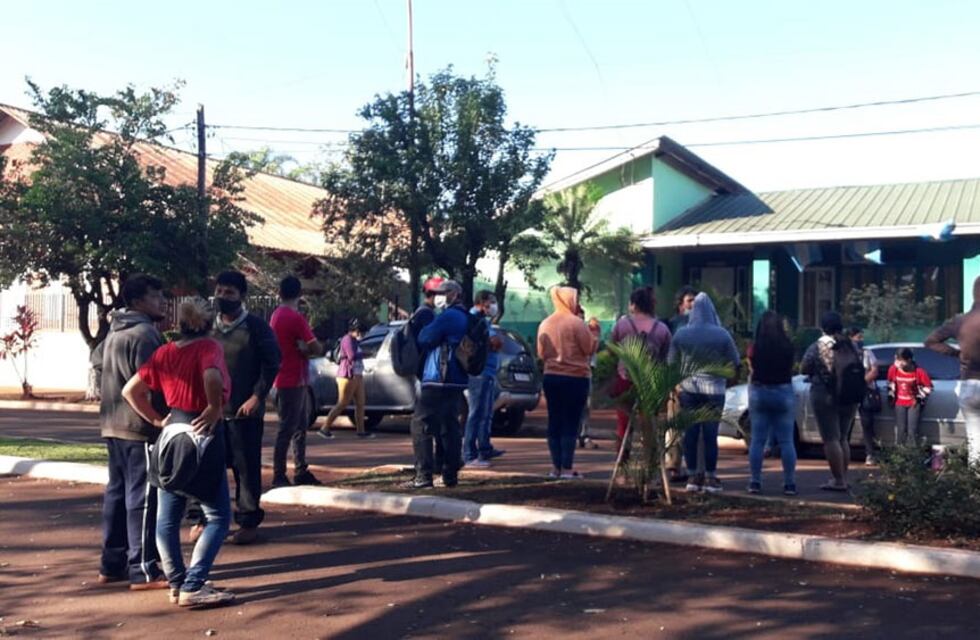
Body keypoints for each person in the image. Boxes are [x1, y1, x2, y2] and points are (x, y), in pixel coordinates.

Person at [121, 298, 235, 608]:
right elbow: (212, 375)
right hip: (204, 434)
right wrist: (213, 406)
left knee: (166, 518)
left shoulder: (165, 352)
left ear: (180, 324)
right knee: (219, 516)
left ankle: (176, 582)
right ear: (210, 324)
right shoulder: (210, 348)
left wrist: (157, 419)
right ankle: (194, 583)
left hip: (171, 435)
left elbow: (130, 390)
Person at [90, 274, 169, 590]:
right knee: (143, 499)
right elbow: (154, 384)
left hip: (112, 424)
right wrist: (159, 419)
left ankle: (112, 564)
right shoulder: (145, 334)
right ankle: (143, 569)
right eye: (155, 296)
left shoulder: (114, 332)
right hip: (139, 427)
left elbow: (96, 362)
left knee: (117, 493)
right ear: (137, 301)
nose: (162, 301)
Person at [211, 270, 281, 545]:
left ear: (241, 296)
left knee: (246, 468)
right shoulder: (208, 327)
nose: (222, 297)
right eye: (219, 291)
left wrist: (257, 397)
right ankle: (205, 519)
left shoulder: (256, 327)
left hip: (244, 413)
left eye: (229, 292)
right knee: (209, 468)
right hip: (212, 413)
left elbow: (272, 363)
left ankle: (248, 520)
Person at [668, 293, 740, 493]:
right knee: (710, 434)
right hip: (715, 390)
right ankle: (710, 476)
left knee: (690, 433)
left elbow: (671, 363)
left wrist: (677, 386)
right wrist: (728, 381)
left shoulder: (682, 334)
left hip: (688, 389)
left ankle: (692, 476)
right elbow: (735, 362)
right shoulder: (722, 334)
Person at [406, 279, 470, 488]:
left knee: (420, 423)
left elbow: (425, 337)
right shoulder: (465, 316)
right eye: (436, 292)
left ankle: (423, 475)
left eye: (443, 292)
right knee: (449, 425)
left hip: (439, 377)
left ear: (454, 294)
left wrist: (430, 329)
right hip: (457, 378)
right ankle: (449, 475)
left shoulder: (449, 316)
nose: (438, 296)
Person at [537, 286, 599, 480]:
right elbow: (588, 348)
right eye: (575, 298)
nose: (577, 302)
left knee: (554, 421)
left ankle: (555, 467)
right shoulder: (576, 323)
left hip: (551, 377)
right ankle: (567, 467)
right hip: (576, 378)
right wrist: (595, 335)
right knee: (571, 423)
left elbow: (541, 353)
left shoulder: (545, 324)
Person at [269, 276, 323, 488]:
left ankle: (299, 469)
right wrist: (307, 349)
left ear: (280, 293)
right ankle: (280, 473)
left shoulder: (275, 315)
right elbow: (316, 347)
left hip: (284, 378)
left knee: (297, 425)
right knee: (289, 428)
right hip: (293, 379)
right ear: (299, 295)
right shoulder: (295, 317)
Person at [800, 311, 861, 491]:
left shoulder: (818, 346)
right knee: (843, 438)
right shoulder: (850, 344)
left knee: (831, 438)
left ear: (822, 327)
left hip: (824, 394)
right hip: (849, 394)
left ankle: (838, 480)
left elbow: (804, 368)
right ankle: (843, 477)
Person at [608, 287, 671, 460]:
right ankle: (649, 466)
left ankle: (622, 465)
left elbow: (612, 349)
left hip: (625, 379)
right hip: (650, 382)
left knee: (623, 424)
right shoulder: (662, 329)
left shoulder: (622, 325)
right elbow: (665, 357)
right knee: (648, 425)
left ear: (634, 304)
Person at [926, 275, 980, 464]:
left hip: (968, 384)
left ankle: (975, 483)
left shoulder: (960, 320)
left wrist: (956, 354)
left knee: (975, 439)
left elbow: (931, 341)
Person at [746, 311, 797, 495]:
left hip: (760, 391)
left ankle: (755, 481)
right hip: (783, 391)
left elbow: (751, 368)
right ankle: (790, 483)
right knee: (786, 441)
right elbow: (792, 367)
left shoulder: (755, 347)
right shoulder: (788, 346)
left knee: (757, 440)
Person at [462, 291, 505, 468]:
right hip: (478, 372)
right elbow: (473, 343)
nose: (494, 305)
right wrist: (491, 343)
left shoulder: (483, 320)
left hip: (488, 372)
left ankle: (484, 447)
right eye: (491, 302)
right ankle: (469, 454)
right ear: (482, 302)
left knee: (486, 413)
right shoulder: (473, 318)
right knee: (475, 413)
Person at [319, 319, 372, 439]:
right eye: (361, 332)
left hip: (357, 374)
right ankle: (325, 427)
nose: (363, 335)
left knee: (360, 403)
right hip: (347, 375)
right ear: (356, 331)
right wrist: (365, 354)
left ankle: (361, 431)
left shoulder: (355, 341)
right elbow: (352, 356)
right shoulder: (347, 340)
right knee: (343, 403)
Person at [887, 347, 933, 446]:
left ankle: (911, 454)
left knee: (912, 430)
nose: (899, 363)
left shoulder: (919, 372)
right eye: (897, 360)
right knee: (901, 429)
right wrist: (891, 395)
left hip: (913, 404)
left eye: (901, 360)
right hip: (899, 403)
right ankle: (900, 453)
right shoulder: (893, 369)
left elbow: (928, 387)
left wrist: (918, 398)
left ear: (909, 360)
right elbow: (890, 382)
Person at [848, 327, 880, 465]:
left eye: (861, 337)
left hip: (865, 392)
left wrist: (862, 382)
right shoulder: (845, 353)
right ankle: (844, 452)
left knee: (867, 424)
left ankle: (870, 454)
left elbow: (874, 370)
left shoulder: (867, 353)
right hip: (849, 392)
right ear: (851, 337)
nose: (861, 340)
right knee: (847, 423)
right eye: (858, 337)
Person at [577, 314, 601, 450]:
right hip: (575, 374)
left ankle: (584, 435)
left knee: (586, 406)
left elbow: (592, 354)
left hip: (586, 374)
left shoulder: (588, 336)